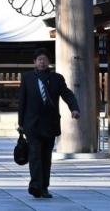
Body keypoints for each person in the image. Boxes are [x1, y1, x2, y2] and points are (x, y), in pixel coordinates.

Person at [18, 47, 80, 199]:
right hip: (32, 124)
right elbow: (22, 101)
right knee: (34, 155)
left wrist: (74, 108)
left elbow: (67, 94)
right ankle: (35, 185)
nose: (42, 62)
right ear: (34, 62)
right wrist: (20, 123)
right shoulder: (27, 78)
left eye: (45, 59)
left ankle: (44, 187)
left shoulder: (57, 79)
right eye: (39, 59)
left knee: (45, 157)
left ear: (49, 62)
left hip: (50, 123)